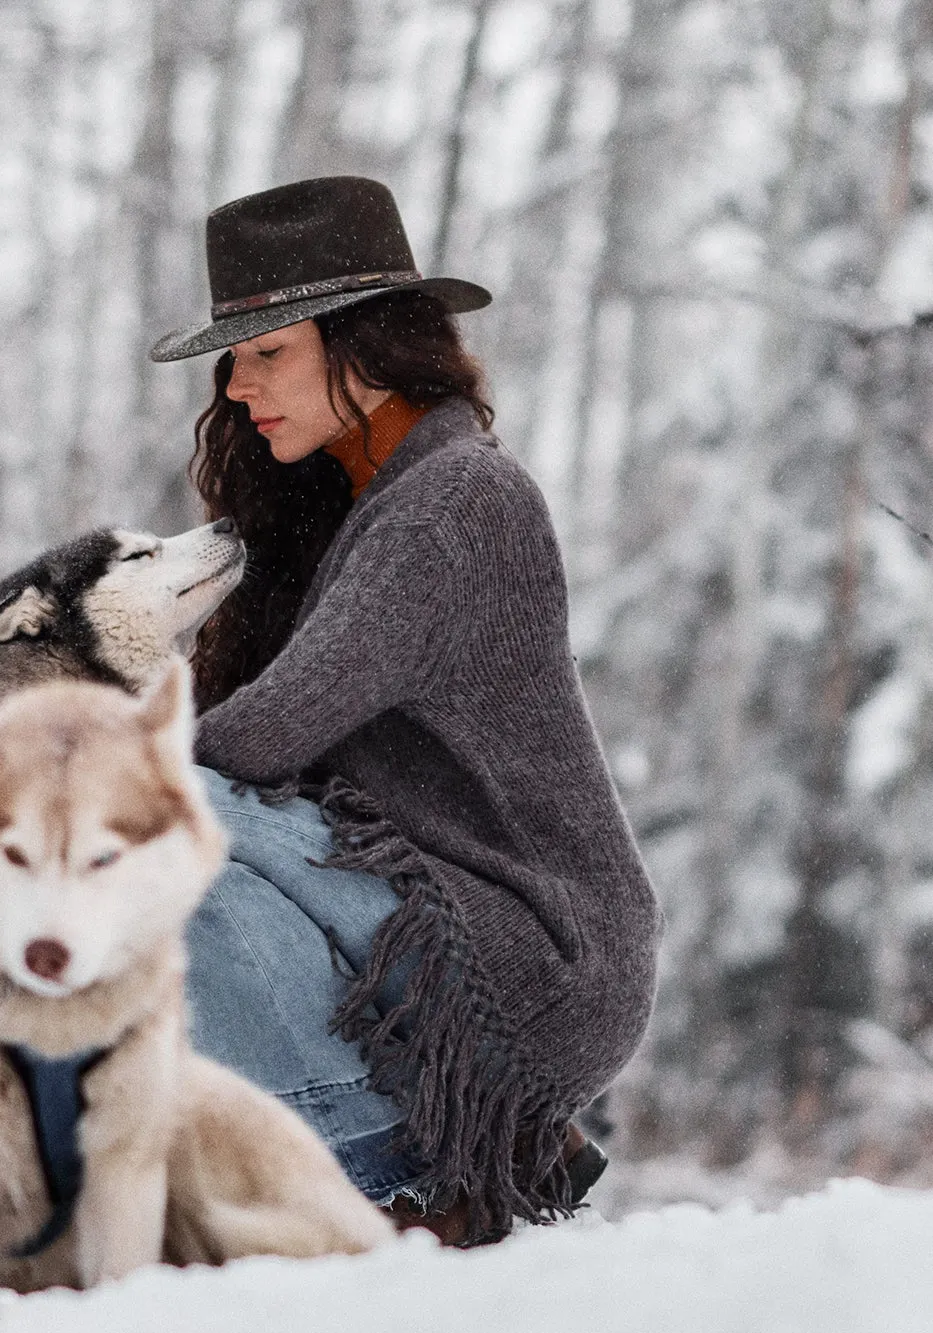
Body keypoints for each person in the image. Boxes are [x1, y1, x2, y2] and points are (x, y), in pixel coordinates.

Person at [148, 176, 661, 1244]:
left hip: (530, 945)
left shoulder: (461, 499)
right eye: (230, 360)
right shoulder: (343, 503)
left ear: (369, 344)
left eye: (265, 353)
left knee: (157, 823)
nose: (237, 386)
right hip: (414, 910)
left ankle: (382, 1176)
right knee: (156, 825)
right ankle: (399, 1157)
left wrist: (44, 777)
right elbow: (150, 665)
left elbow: (262, 736)